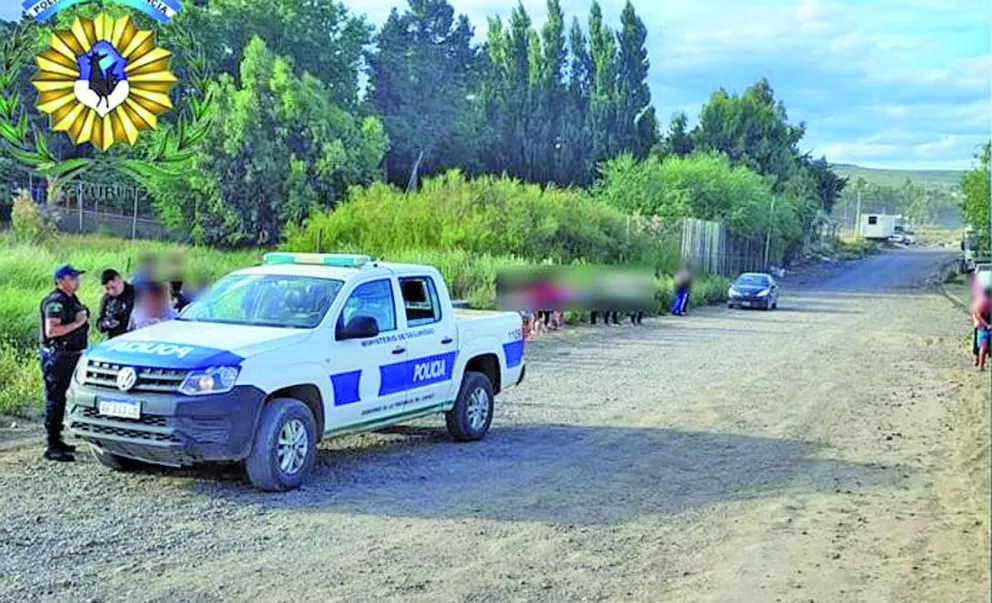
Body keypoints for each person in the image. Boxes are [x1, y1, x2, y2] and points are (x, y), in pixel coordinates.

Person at [39, 265, 90, 462]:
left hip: (71, 355)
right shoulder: (55, 302)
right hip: (58, 357)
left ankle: (58, 439)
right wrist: (77, 323)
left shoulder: (70, 299)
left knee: (64, 398)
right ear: (60, 280)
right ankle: (52, 444)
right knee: (56, 398)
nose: (77, 280)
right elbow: (52, 331)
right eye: (73, 277)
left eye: (77, 276)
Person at [96, 269, 135, 339]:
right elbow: (100, 322)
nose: (111, 291)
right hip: (115, 339)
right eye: (107, 289)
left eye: (113, 287)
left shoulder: (136, 294)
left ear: (120, 280)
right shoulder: (106, 299)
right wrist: (106, 324)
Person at [972, 286, 992, 370]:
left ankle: (980, 363)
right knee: (982, 347)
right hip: (982, 328)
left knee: (983, 347)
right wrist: (986, 324)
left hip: (985, 327)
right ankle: (980, 364)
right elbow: (977, 314)